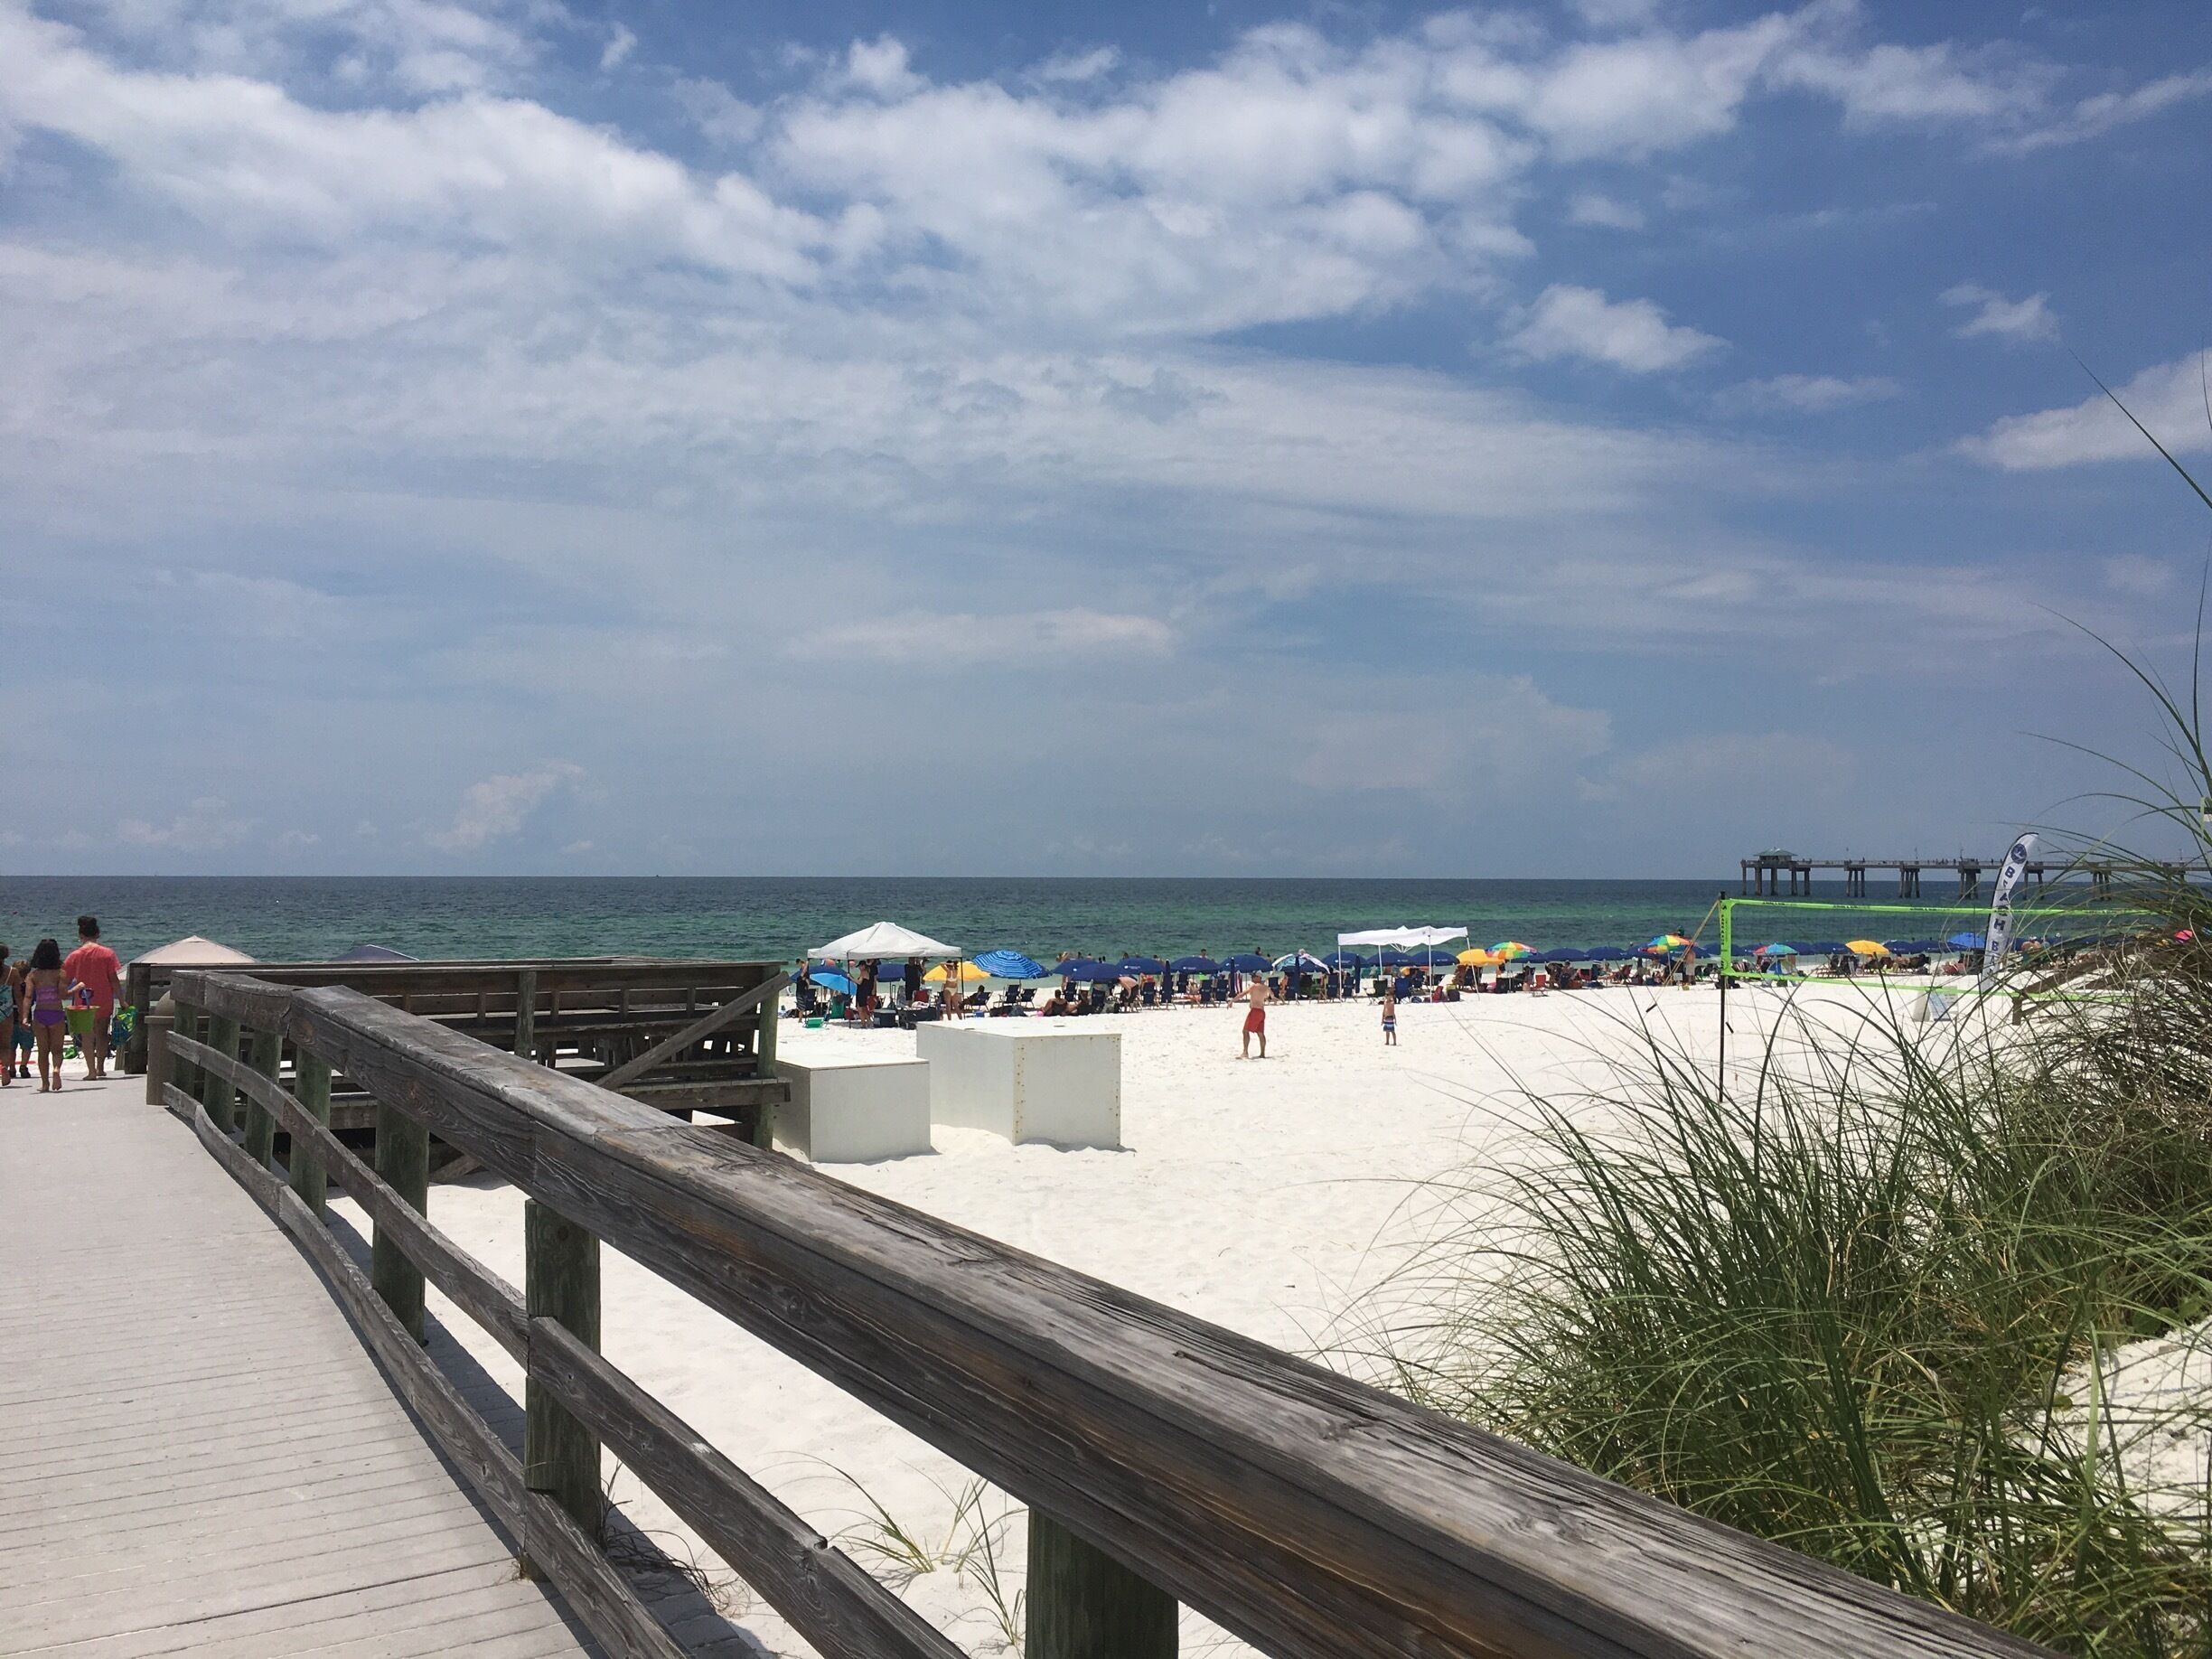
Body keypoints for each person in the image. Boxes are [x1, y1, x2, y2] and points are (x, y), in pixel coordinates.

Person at [64, 916, 124, 1081]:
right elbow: (114, 980)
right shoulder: (108, 954)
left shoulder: (75, 955)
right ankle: (101, 1068)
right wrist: (123, 1000)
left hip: (83, 999)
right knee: (103, 1034)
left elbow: (66, 981)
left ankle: (91, 1071)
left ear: (80, 935)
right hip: (104, 997)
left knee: (87, 1036)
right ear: (98, 934)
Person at [25, 938, 68, 1092]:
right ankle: (56, 1070)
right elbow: (63, 995)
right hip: (56, 1013)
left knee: (43, 1052)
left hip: (40, 1014)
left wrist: (24, 1016)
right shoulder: (61, 973)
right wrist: (75, 989)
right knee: (57, 1050)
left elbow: (28, 997)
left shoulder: (33, 975)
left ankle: (44, 1084)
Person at [1239, 969, 1271, 1060]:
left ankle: (1245, 1052)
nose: (1252, 978)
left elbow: (1243, 994)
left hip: (1255, 1011)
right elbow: (1271, 995)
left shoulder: (1254, 986)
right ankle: (1262, 1053)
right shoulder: (1265, 987)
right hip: (1262, 1012)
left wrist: (1232, 1000)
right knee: (1260, 1033)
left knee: (1245, 1031)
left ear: (1258, 977)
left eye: (1253, 976)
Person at [0, 944, 13, 1087]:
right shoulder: (12, 972)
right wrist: (23, 1015)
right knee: (5, 1045)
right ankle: (4, 1067)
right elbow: (18, 995)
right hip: (6, 1011)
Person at [1381, 982, 1397, 1046]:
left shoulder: (1391, 1003)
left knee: (1392, 1030)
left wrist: (1395, 1019)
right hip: (1386, 1017)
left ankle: (1394, 1042)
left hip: (1390, 1017)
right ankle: (1387, 1041)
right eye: (1385, 995)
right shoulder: (1385, 1002)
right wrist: (1382, 1019)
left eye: (1387, 995)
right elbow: (1384, 1010)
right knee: (1387, 1031)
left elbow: (1393, 1012)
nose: (1386, 996)